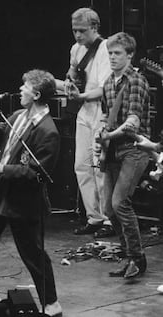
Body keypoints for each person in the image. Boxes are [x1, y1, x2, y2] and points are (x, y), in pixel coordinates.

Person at [0, 69, 62, 317]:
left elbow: (37, 174)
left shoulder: (48, 132)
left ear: (37, 94)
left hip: (23, 201)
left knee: (33, 255)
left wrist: (4, 169)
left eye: (25, 87)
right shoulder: (19, 116)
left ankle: (51, 304)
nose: (20, 90)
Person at [56, 8, 115, 238]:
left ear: (95, 27)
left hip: (102, 110)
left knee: (100, 167)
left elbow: (104, 88)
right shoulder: (75, 49)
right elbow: (73, 77)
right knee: (81, 165)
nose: (77, 35)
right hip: (84, 111)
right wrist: (69, 83)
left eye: (82, 31)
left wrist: (80, 96)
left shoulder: (104, 48)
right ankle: (94, 217)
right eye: (74, 30)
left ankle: (109, 219)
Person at [95, 32, 150, 279]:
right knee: (108, 208)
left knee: (119, 203)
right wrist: (101, 130)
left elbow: (132, 123)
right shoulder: (108, 83)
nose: (113, 57)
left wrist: (109, 135)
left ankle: (137, 258)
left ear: (130, 55)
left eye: (118, 53)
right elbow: (107, 115)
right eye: (110, 53)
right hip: (115, 150)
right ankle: (128, 255)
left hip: (135, 149)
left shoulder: (136, 81)